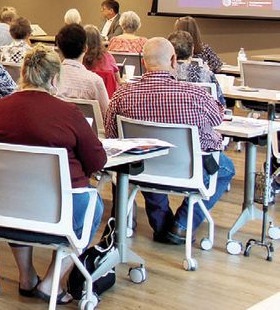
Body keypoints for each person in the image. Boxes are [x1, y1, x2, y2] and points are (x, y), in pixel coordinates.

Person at [0, 44, 106, 305]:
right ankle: (51, 282)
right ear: (54, 78)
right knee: (94, 205)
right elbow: (97, 161)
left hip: (0, 210)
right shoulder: (67, 113)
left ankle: (26, 277)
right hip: (54, 211)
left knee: (18, 197)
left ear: (22, 75)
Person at [104, 37, 235, 244]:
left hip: (142, 168)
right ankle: (182, 225)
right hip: (187, 169)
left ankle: (162, 224)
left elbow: (112, 135)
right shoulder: (195, 94)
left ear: (143, 62)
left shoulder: (122, 94)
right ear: (174, 60)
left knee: (149, 164)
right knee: (226, 168)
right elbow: (218, 118)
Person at [55, 23, 109, 115]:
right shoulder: (95, 82)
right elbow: (107, 115)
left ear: (59, 49)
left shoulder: (49, 79)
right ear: (85, 49)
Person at [168, 30, 226, 106]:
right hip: (199, 116)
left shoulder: (162, 74)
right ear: (192, 50)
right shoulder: (206, 74)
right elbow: (221, 105)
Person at [83, 24, 121, 96]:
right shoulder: (109, 57)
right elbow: (118, 81)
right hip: (108, 100)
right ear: (99, 39)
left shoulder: (80, 60)